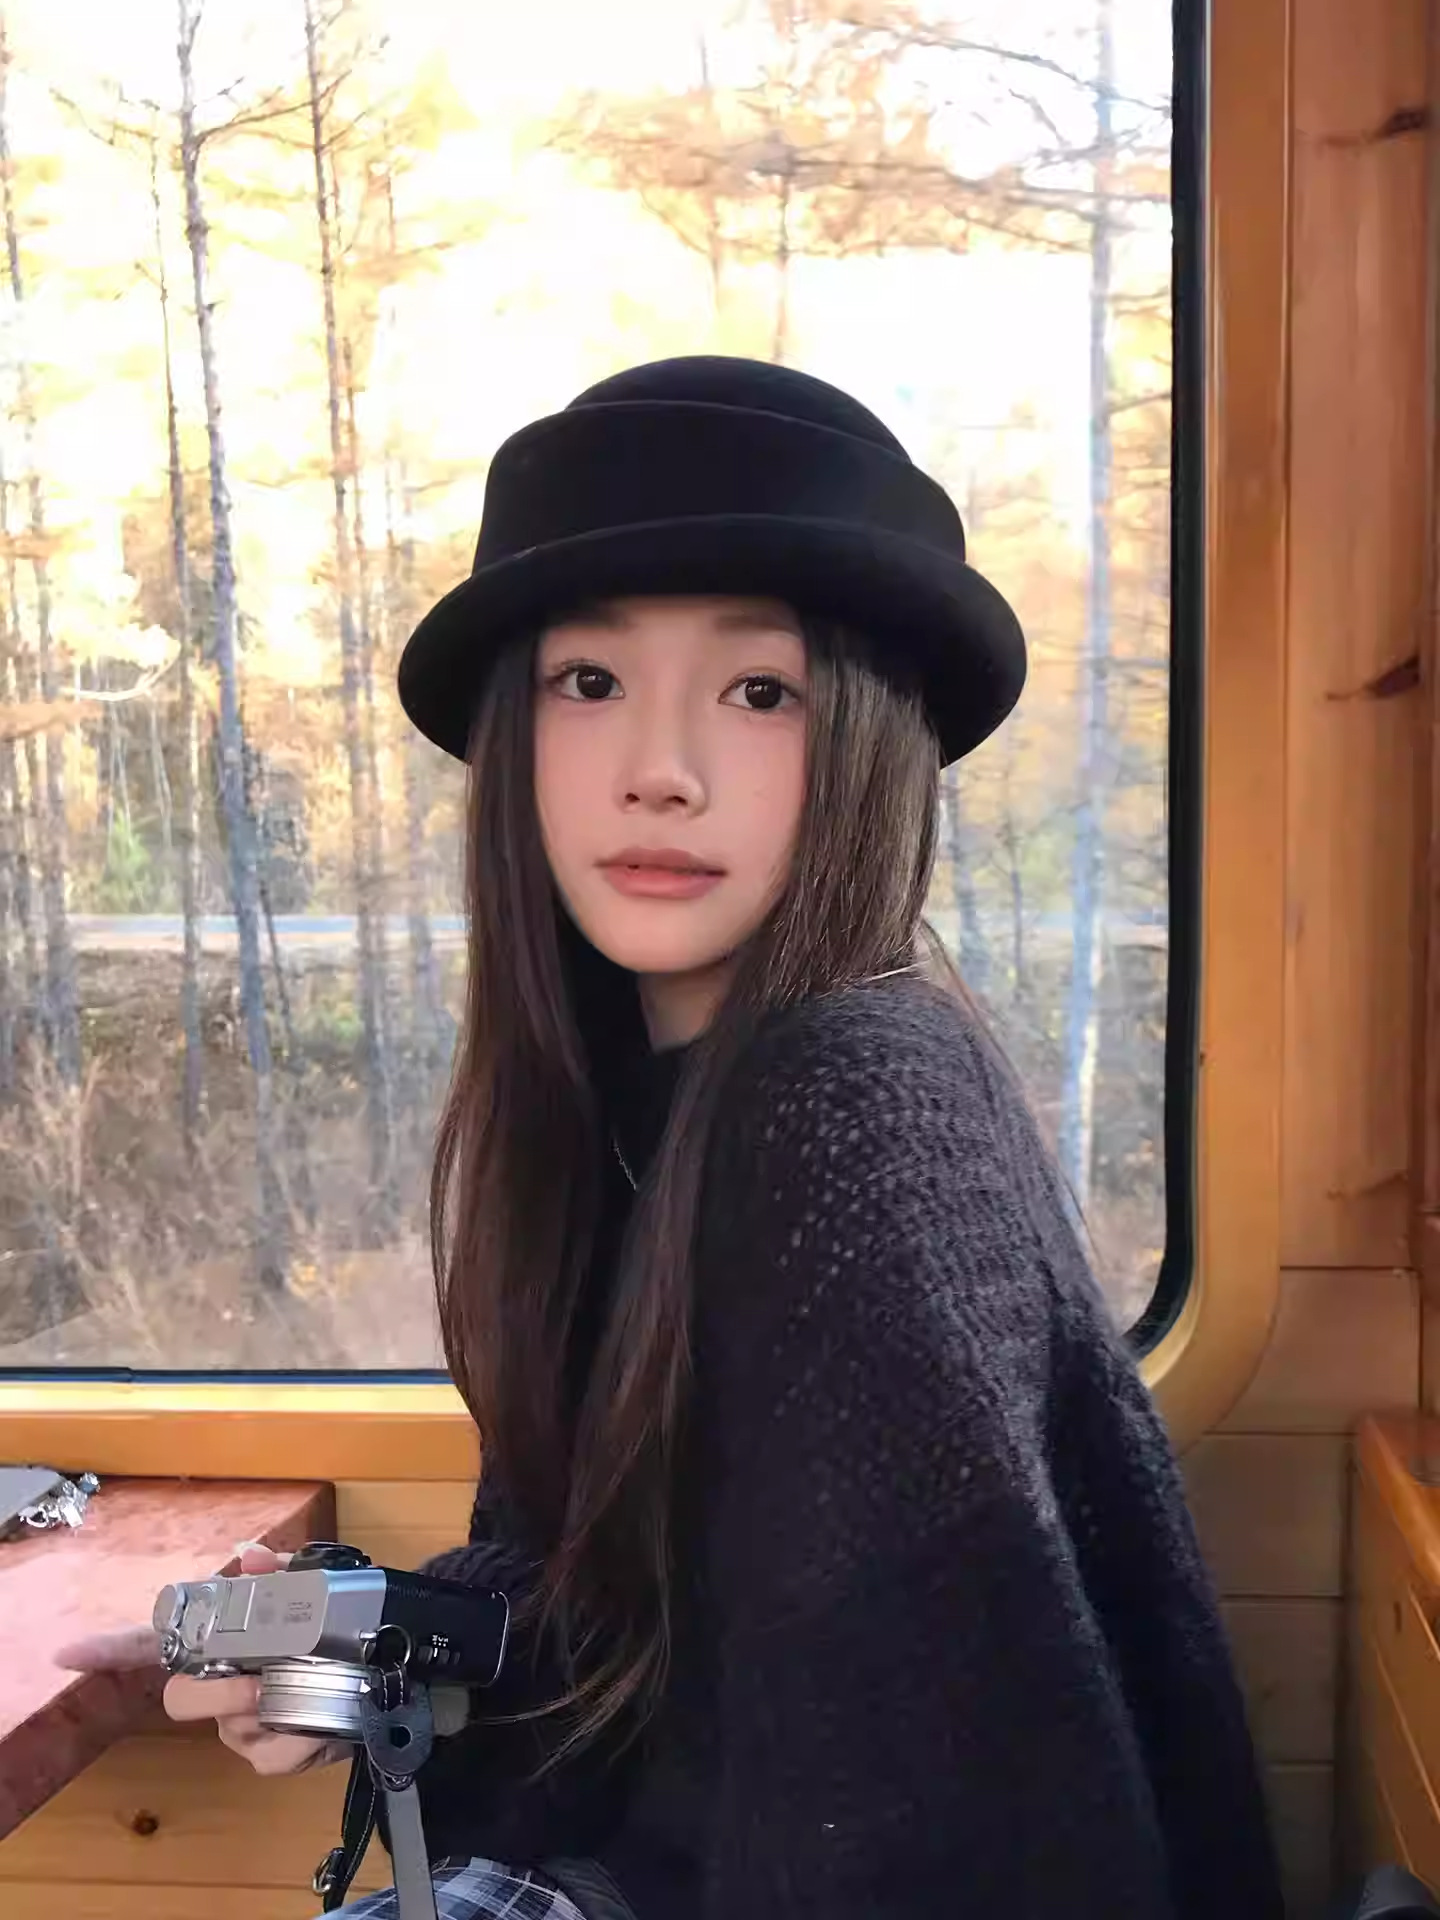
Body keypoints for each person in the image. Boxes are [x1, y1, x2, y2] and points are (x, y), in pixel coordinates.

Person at [59, 356, 1284, 1920]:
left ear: (868, 742)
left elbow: (951, 1820)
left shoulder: (855, 1105)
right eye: (590, 681)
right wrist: (359, 1636)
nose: (661, 769)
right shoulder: (623, 1101)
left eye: (760, 691)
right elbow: (652, 1624)